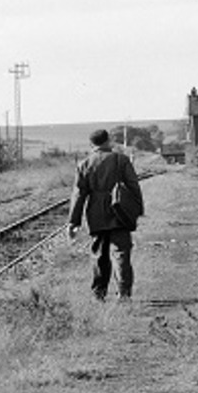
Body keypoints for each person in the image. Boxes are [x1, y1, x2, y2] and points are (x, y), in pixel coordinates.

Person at [68, 128, 145, 301]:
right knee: (121, 254)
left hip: (96, 214)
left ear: (91, 144)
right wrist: (138, 210)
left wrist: (74, 222)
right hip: (120, 211)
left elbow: (79, 194)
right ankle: (124, 293)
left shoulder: (84, 164)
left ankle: (99, 294)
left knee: (99, 254)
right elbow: (133, 186)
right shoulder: (121, 160)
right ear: (108, 141)